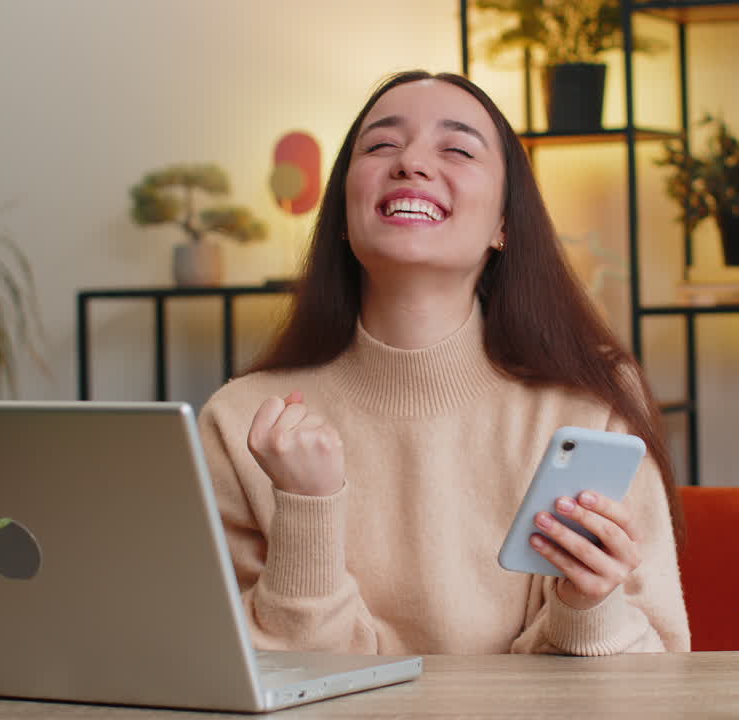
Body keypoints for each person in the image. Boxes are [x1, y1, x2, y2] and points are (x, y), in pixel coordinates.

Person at [198, 70, 689, 656]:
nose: (410, 163)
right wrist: (307, 509)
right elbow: (246, 677)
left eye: (456, 149)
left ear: (504, 223)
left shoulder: (589, 406)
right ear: (343, 212)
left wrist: (588, 608)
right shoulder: (243, 422)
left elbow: (656, 675)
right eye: (381, 145)